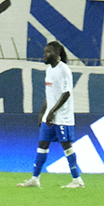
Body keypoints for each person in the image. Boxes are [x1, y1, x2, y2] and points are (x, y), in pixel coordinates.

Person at [18, 39, 83, 189]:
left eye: (48, 52)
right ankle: (35, 179)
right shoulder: (49, 70)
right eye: (45, 52)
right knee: (42, 145)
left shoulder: (64, 69)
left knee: (67, 146)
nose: (45, 55)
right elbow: (50, 94)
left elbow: (66, 93)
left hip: (62, 117)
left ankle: (77, 180)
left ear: (57, 53)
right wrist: (43, 112)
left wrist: (52, 112)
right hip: (50, 116)